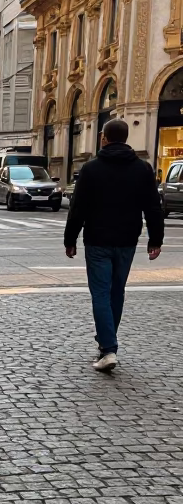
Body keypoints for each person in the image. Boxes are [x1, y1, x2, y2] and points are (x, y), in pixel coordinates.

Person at [64, 118, 163, 372]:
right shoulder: (143, 169)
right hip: (127, 240)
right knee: (116, 292)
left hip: (97, 239)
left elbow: (78, 208)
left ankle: (108, 349)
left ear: (104, 138)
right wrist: (155, 239)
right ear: (126, 138)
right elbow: (153, 207)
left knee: (100, 293)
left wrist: (70, 239)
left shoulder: (91, 169)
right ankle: (106, 344)